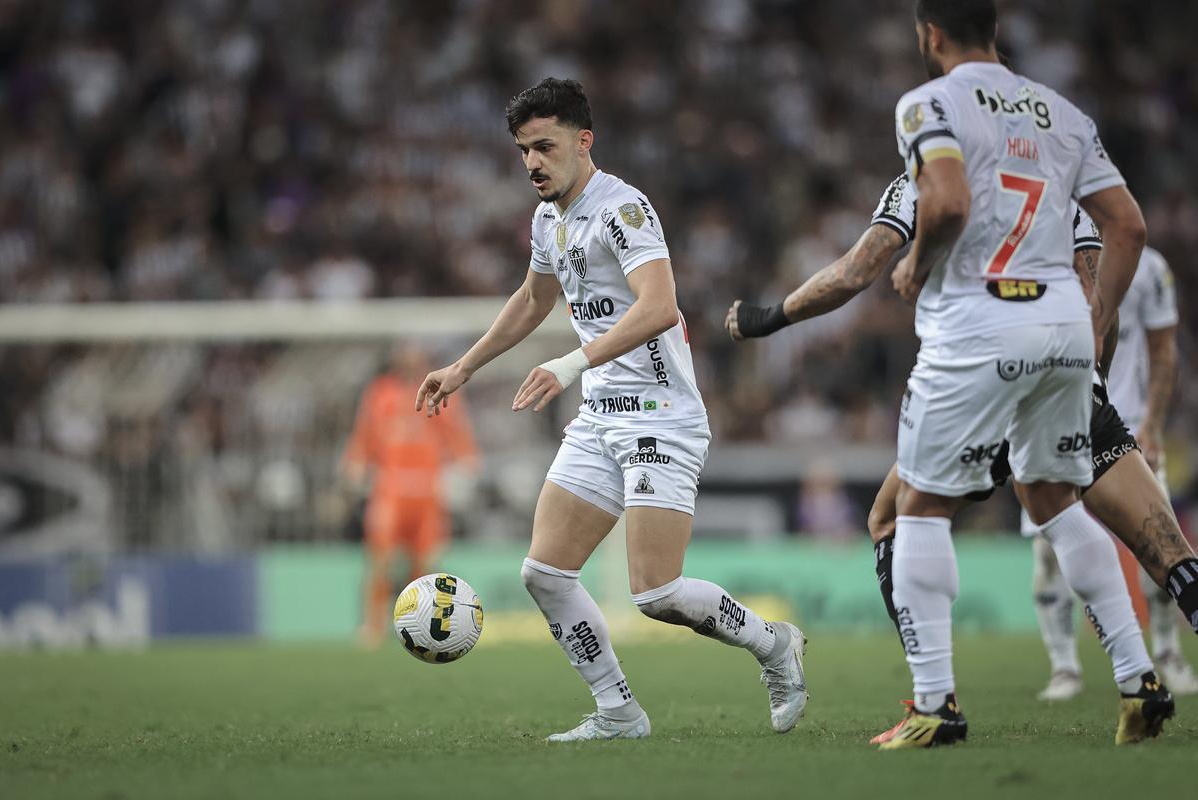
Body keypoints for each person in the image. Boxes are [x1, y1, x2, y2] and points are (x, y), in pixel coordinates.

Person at [742, 0, 1166, 748]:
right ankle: (1137, 679)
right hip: (1063, 327)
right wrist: (1097, 318)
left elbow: (943, 200)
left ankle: (934, 704)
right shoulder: (1059, 112)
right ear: (993, 29)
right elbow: (1126, 223)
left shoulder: (929, 103)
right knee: (1054, 498)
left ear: (928, 33)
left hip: (976, 326)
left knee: (919, 508)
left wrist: (918, 261)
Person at [415, 78, 806, 742]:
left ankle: (773, 643)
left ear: (581, 140)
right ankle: (618, 711)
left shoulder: (622, 209)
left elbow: (658, 308)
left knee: (655, 594)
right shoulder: (548, 218)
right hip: (600, 417)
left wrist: (570, 363)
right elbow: (533, 301)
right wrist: (463, 366)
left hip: (660, 415)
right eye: (522, 150)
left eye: (545, 146)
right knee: (543, 574)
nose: (532, 163)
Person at [1030, 245, 1197, 699]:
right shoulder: (1047, 248)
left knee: (1159, 546)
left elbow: (1163, 352)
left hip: (1130, 426)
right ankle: (1064, 667)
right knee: (1049, 552)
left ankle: (1167, 653)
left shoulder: (1150, 267)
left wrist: (1154, 425)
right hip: (1060, 419)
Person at [342, 343, 478, 648]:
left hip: (428, 493)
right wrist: (356, 462)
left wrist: (465, 463)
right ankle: (374, 626)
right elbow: (365, 433)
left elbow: (457, 433)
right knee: (381, 560)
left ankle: (421, 628)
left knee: (426, 564)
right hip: (390, 491)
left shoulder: (441, 391)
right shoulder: (379, 392)